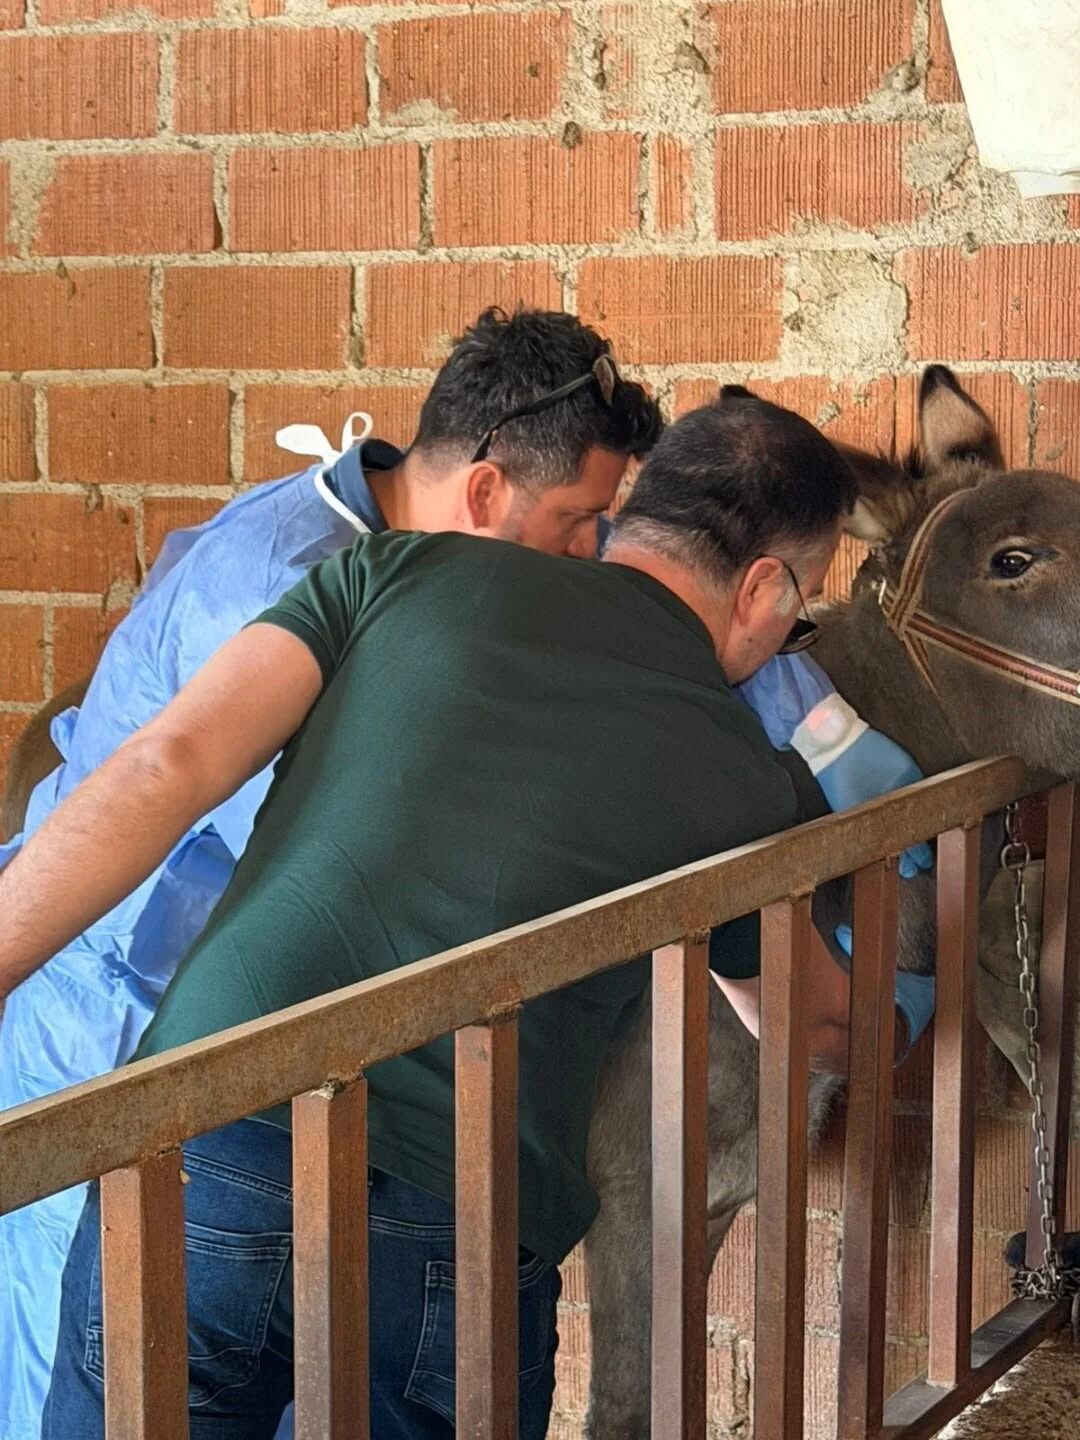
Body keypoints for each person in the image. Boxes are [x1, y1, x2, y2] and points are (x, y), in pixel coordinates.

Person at [0, 318, 930, 1439]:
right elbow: (812, 1025)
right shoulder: (744, 772)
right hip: (460, 1221)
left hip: (205, 1138)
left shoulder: (391, 569)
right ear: (766, 587)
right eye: (806, 605)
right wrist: (904, 994)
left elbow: (166, 764)